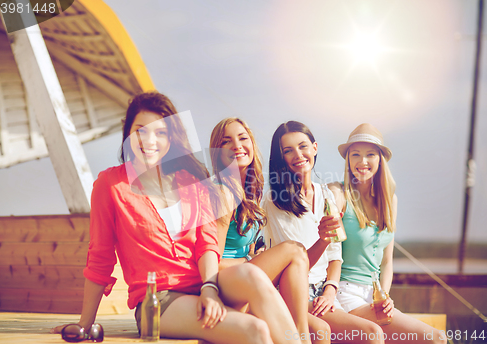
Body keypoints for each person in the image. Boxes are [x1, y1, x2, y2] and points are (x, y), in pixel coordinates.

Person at [51, 92, 305, 344]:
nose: (150, 140)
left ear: (171, 139)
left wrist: (210, 288)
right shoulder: (111, 184)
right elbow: (100, 257)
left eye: (160, 132)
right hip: (159, 301)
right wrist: (85, 323)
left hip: (202, 284)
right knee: (255, 330)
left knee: (254, 275)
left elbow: (206, 243)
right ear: (127, 133)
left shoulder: (191, 181)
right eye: (141, 130)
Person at [209, 118, 330, 344]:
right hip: (225, 284)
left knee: (321, 331)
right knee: (294, 250)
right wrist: (250, 260)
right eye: (227, 141)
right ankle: (301, 338)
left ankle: (300, 336)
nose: (237, 145)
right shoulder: (222, 193)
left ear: (252, 144)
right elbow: (212, 261)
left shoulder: (249, 191)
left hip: (245, 279)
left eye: (243, 138)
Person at [264, 121, 385, 344]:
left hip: (325, 293)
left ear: (315, 148)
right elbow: (296, 265)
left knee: (373, 333)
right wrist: (321, 240)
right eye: (288, 151)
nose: (298, 155)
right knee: (322, 332)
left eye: (303, 146)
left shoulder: (326, 195)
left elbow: (335, 255)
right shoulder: (275, 201)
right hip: (293, 293)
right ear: (281, 158)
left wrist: (330, 290)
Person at [327, 123, 446, 344]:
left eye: (370, 154)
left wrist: (385, 296)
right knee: (379, 336)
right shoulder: (338, 193)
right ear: (348, 160)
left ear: (380, 159)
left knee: (437, 338)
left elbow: (387, 262)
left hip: (375, 296)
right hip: (344, 294)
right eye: (356, 155)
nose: (363, 162)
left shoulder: (390, 201)